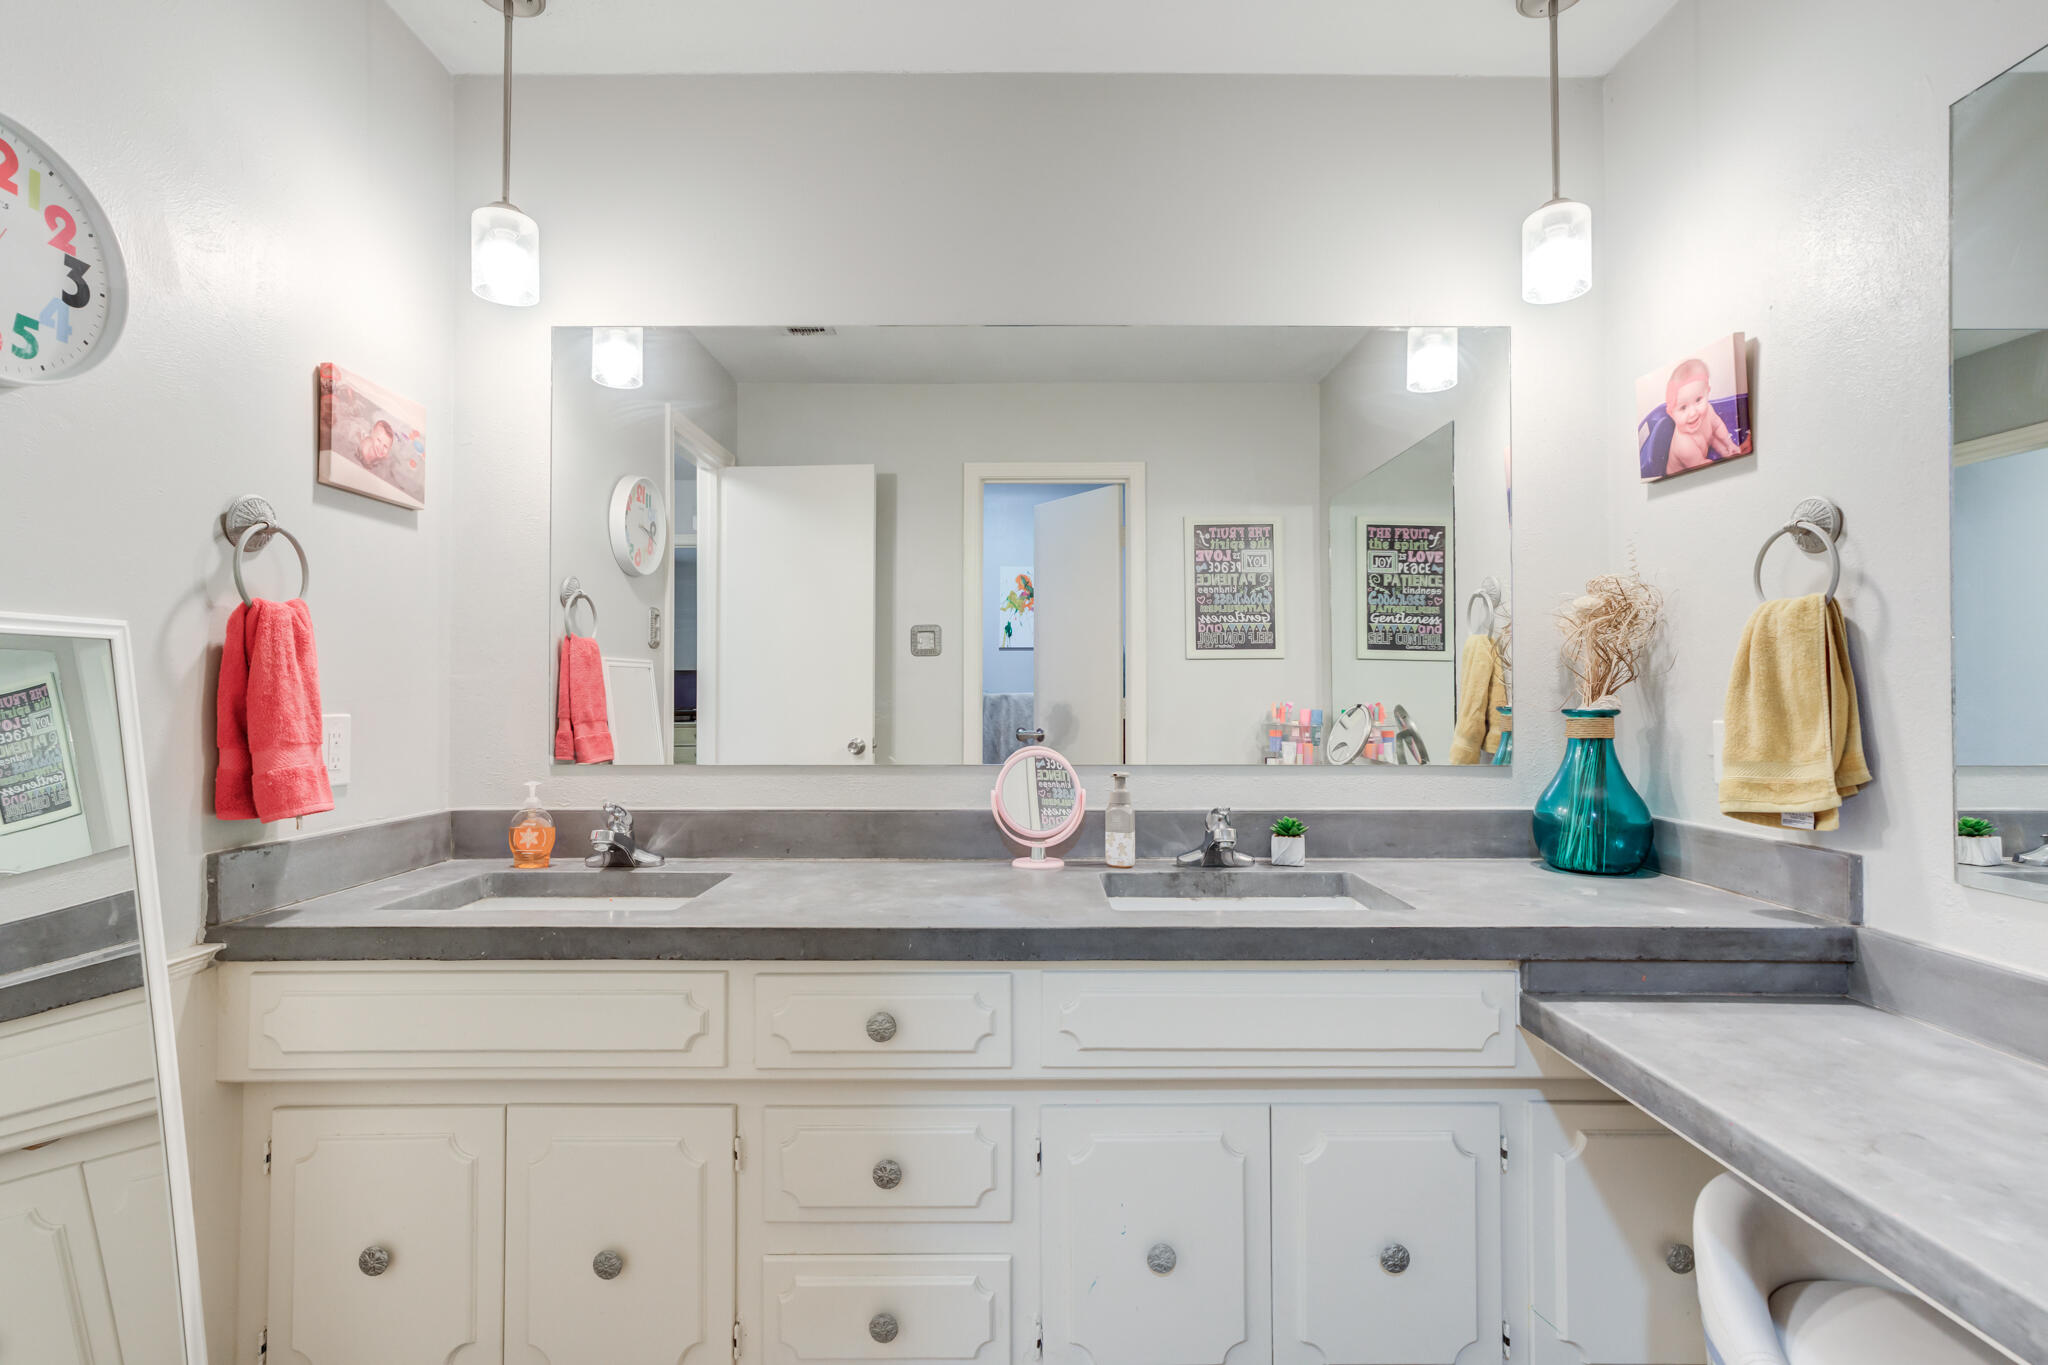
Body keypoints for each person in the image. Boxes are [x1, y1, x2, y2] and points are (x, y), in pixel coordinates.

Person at [1662, 357, 1738, 476]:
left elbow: (1717, 427)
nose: (1693, 413)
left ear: (1707, 392)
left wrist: (1729, 444)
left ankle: (1727, 452)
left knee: (1711, 436)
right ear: (1671, 414)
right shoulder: (1684, 445)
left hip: (1702, 450)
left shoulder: (1708, 410)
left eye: (1698, 400)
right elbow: (1703, 468)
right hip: (1683, 478)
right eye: (1683, 407)